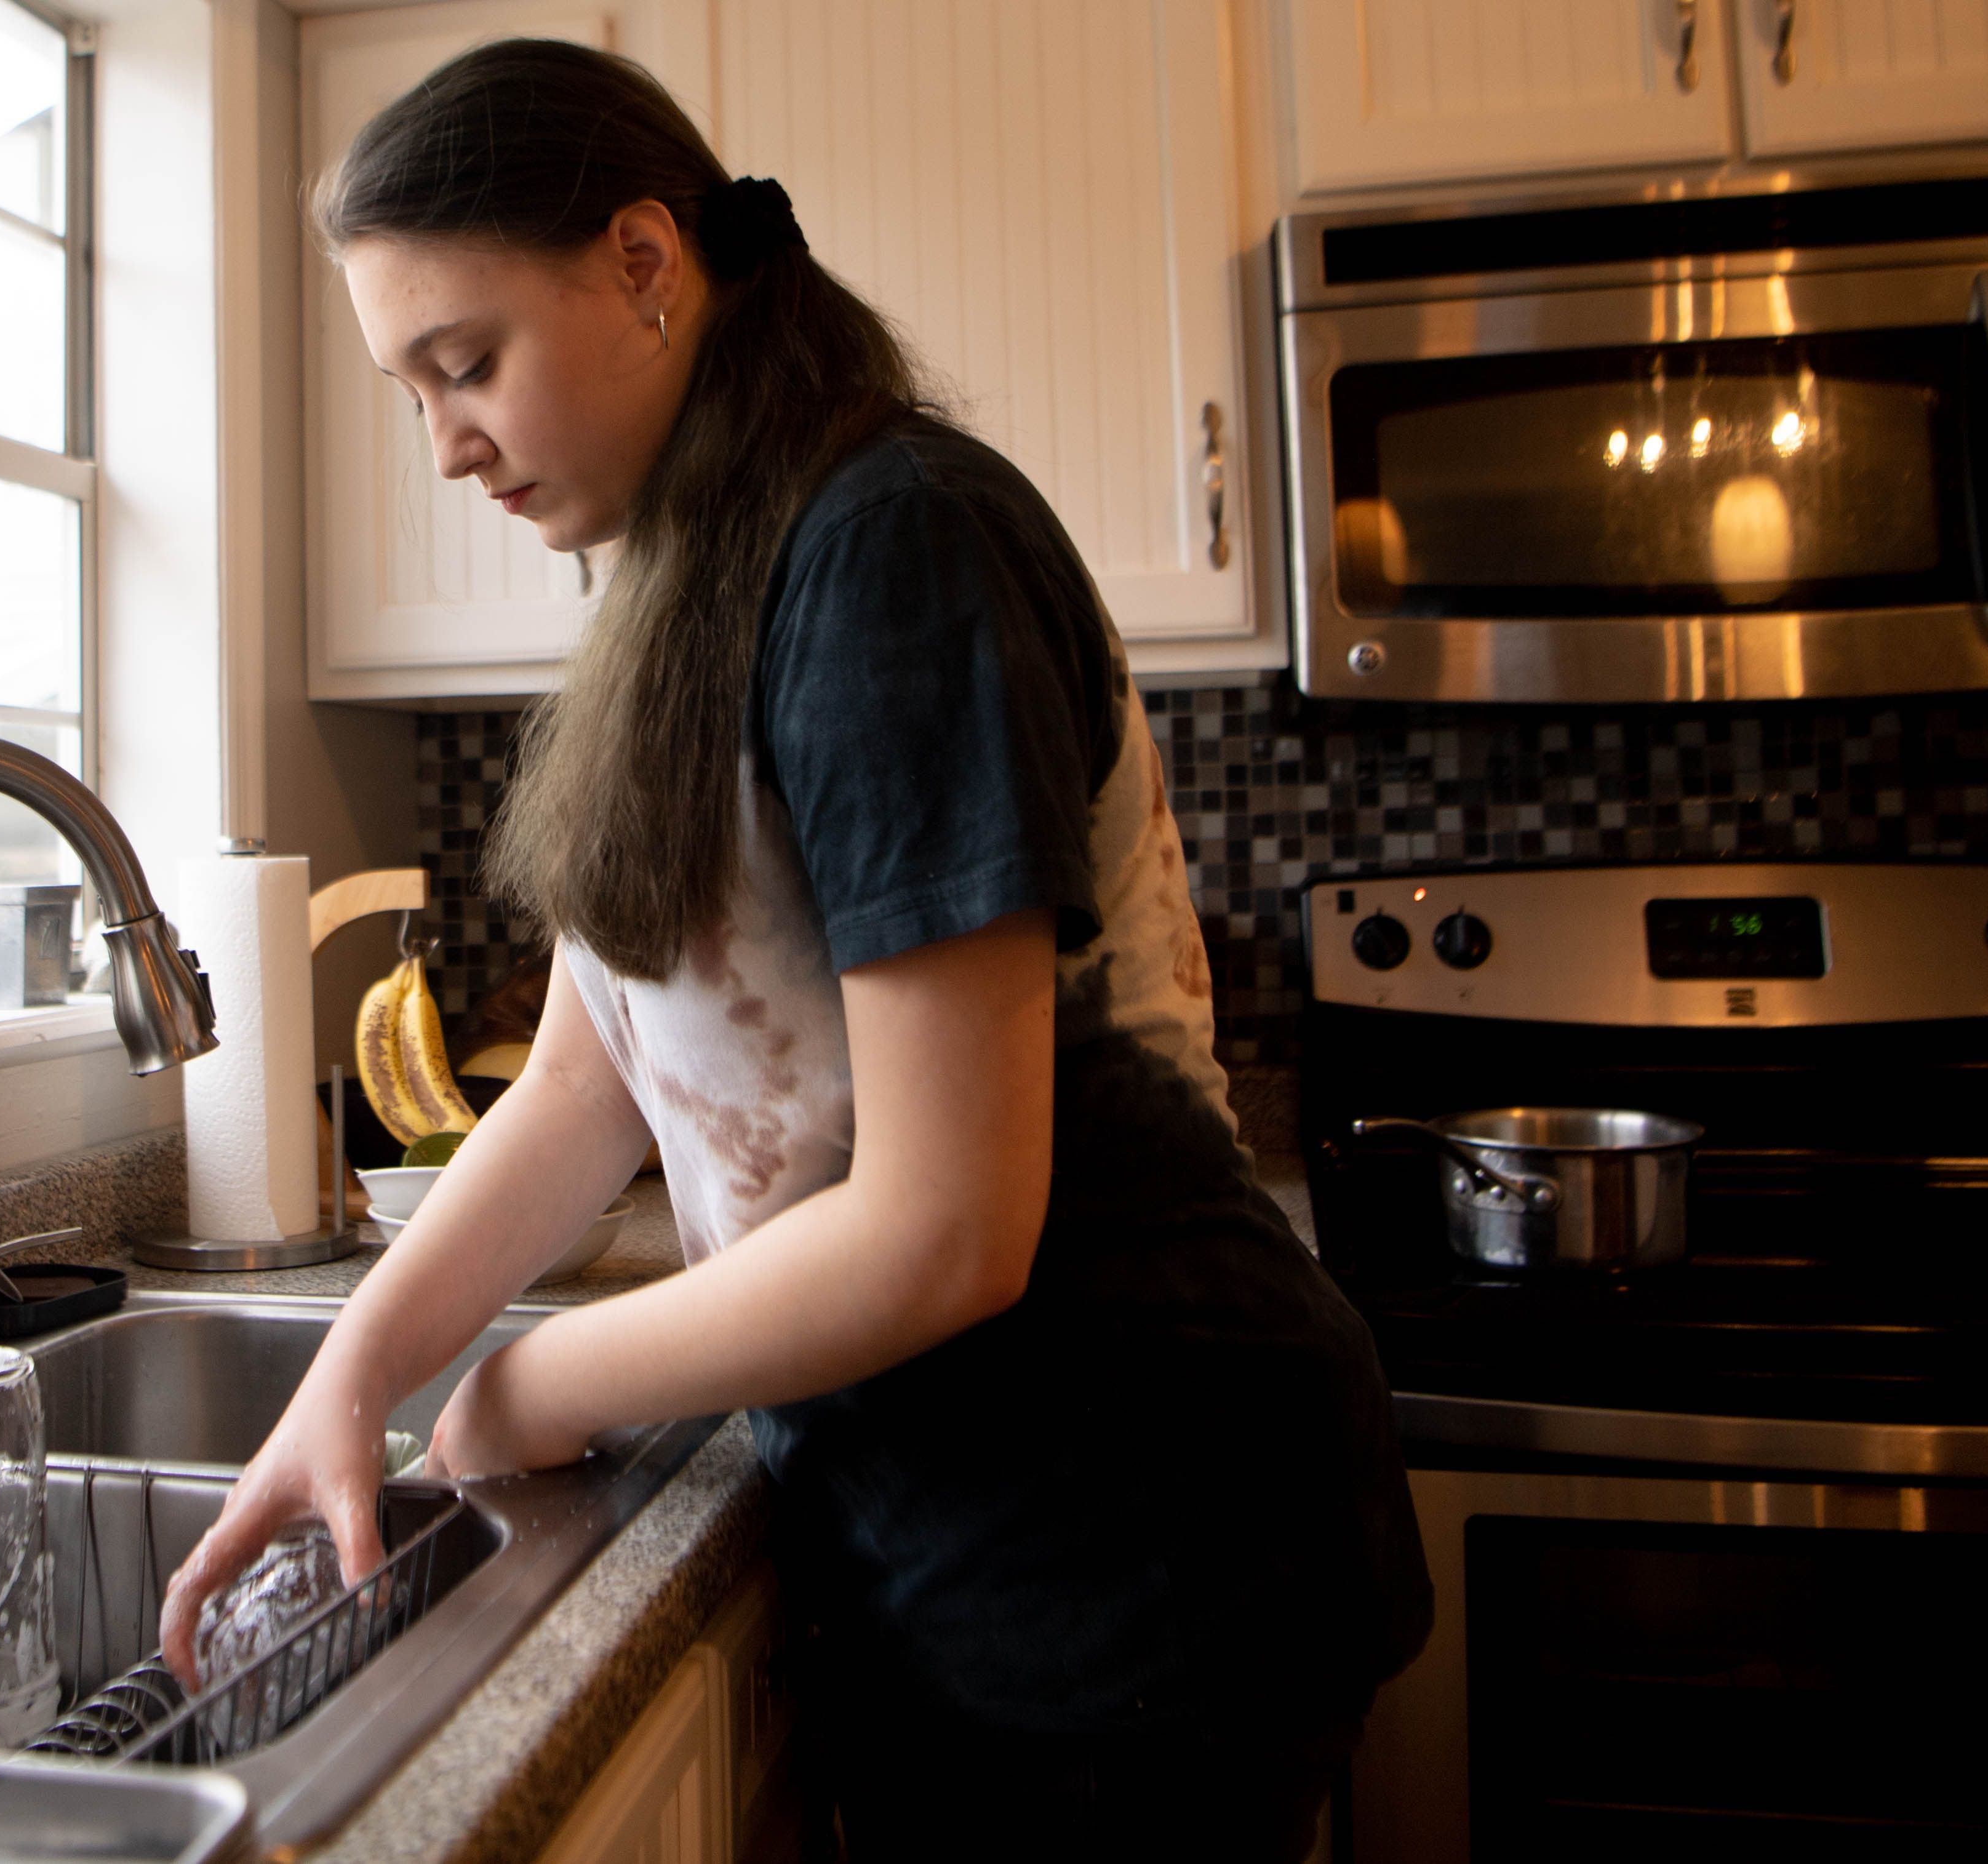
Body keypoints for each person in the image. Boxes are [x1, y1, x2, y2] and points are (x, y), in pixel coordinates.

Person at [159, 39, 1431, 1858]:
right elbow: (605, 1073)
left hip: (1132, 1537)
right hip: (964, 1535)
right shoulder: (688, 573)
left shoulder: (891, 553)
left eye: (466, 363)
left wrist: (521, 1386)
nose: (442, 443)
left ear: (646, 262)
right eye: (411, 389)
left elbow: (947, 1228)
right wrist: (358, 1378)